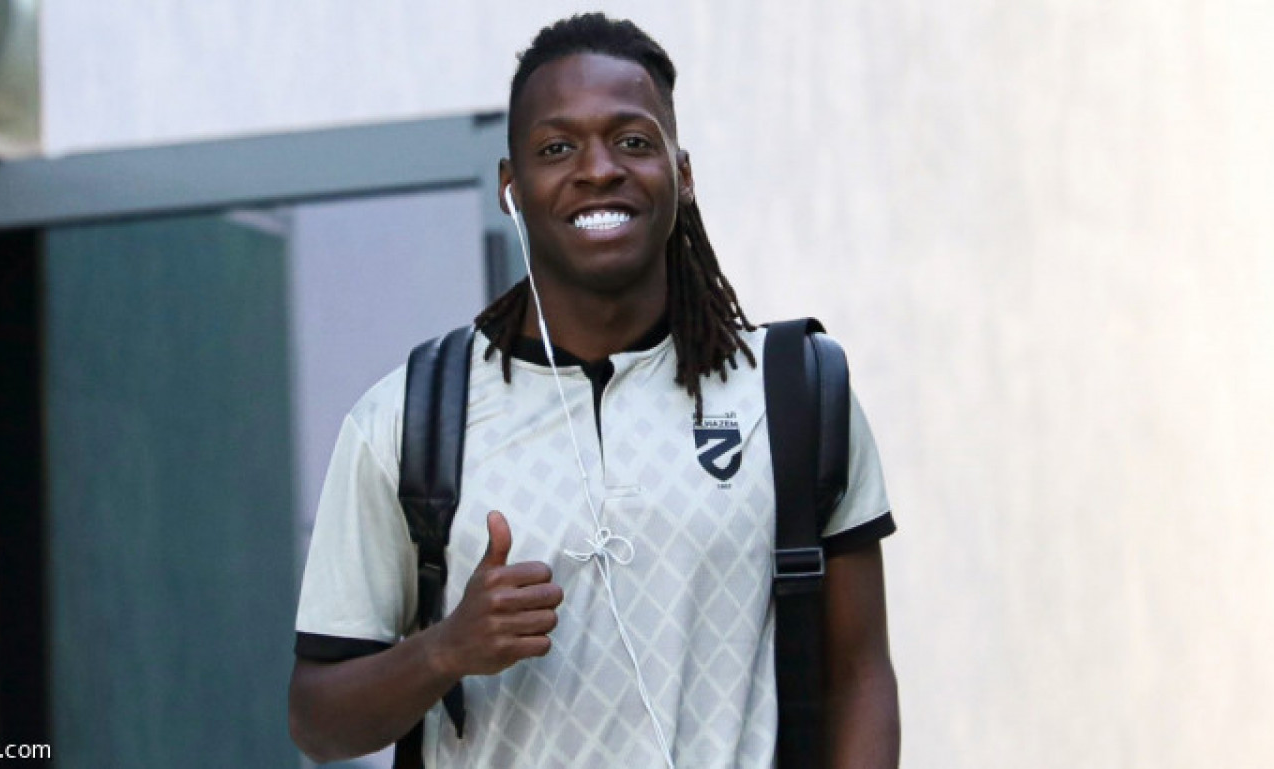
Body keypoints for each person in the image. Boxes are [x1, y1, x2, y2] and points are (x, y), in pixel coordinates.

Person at [288, 13, 899, 768]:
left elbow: (859, 675)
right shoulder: (409, 420)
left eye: (633, 141)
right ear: (511, 186)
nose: (599, 169)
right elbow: (318, 721)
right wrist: (444, 650)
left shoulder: (795, 392)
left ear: (682, 173)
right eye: (557, 148)